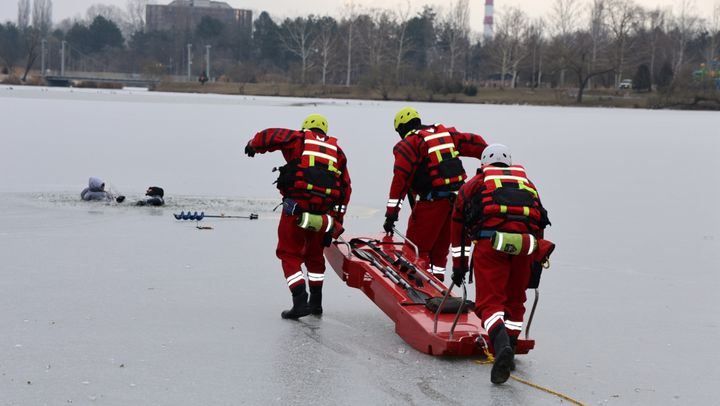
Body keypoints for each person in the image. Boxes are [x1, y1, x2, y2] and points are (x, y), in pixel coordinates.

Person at [449, 144, 551, 384]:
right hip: (526, 246)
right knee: (515, 301)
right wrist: (536, 259)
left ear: (484, 163)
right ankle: (511, 347)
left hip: (491, 245)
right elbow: (540, 221)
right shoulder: (528, 184)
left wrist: (460, 265)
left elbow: (458, 225)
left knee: (489, 304)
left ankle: (502, 344)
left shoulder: (475, 184)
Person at [245, 114, 352, 319]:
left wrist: (253, 145)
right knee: (314, 256)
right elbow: (345, 190)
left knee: (288, 253)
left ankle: (299, 300)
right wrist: (336, 223)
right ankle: (316, 303)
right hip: (323, 214)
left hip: (295, 207)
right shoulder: (337, 153)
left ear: (306, 128)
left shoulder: (298, 138)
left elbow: (270, 135)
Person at [383, 106, 488, 281]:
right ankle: (437, 289)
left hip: (431, 205)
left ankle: (418, 290)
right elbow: (475, 143)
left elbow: (400, 181)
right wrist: (492, 163)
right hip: (457, 204)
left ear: (401, 129)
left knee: (416, 250)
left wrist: (391, 216)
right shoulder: (445, 134)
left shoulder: (409, 144)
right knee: (439, 254)